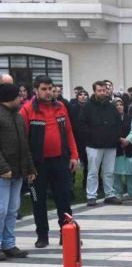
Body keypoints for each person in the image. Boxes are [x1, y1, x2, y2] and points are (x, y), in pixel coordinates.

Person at [20, 76, 79, 248]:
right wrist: (28, 166)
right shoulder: (27, 110)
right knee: (38, 201)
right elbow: (23, 140)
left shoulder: (60, 107)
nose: (48, 92)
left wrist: (74, 154)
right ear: (36, 90)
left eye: (50, 89)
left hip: (60, 161)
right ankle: (42, 235)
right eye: (44, 89)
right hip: (37, 165)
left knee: (64, 199)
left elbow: (68, 131)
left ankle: (66, 233)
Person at [0, 84, 35, 259]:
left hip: (18, 171)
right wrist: (3, 168)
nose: (21, 98)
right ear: (8, 97)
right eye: (18, 96)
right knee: (1, 210)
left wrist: (30, 168)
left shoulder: (19, 116)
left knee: (13, 209)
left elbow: (24, 144)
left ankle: (9, 244)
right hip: (3, 173)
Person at [79, 81, 122, 206]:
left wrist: (115, 137)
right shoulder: (87, 107)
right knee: (93, 171)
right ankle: (91, 195)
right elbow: (82, 125)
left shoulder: (111, 106)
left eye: (104, 90)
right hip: (93, 145)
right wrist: (91, 136)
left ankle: (110, 194)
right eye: (100, 90)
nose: (103, 93)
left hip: (110, 144)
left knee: (109, 171)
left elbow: (118, 123)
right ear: (94, 91)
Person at [113, 98, 132, 201]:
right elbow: (111, 131)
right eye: (117, 105)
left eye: (121, 104)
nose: (119, 107)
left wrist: (127, 140)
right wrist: (120, 140)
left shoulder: (130, 118)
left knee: (130, 172)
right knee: (117, 172)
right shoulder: (112, 118)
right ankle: (118, 192)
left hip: (129, 147)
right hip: (116, 148)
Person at [68, 89, 89, 190]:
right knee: (73, 162)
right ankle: (71, 185)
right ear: (77, 96)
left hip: (87, 139)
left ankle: (87, 184)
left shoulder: (90, 108)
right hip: (75, 138)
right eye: (80, 95)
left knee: (88, 163)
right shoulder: (73, 108)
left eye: (85, 95)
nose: (83, 96)